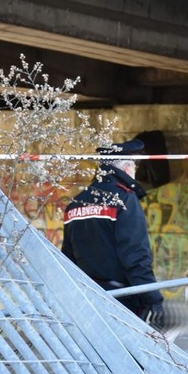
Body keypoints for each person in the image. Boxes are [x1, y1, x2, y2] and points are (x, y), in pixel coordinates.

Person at [61, 139, 164, 330]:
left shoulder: (75, 204)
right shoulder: (124, 200)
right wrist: (153, 297)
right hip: (121, 301)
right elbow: (136, 256)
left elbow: (68, 259)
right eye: (135, 165)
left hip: (87, 299)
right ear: (126, 168)